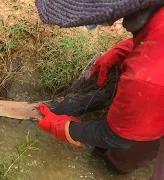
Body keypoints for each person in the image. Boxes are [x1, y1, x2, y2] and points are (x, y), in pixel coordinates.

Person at [34, 0, 164, 178]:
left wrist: (65, 128)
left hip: (152, 84)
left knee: (130, 152)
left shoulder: (144, 76)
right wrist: (125, 49)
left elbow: (116, 138)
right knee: (122, 149)